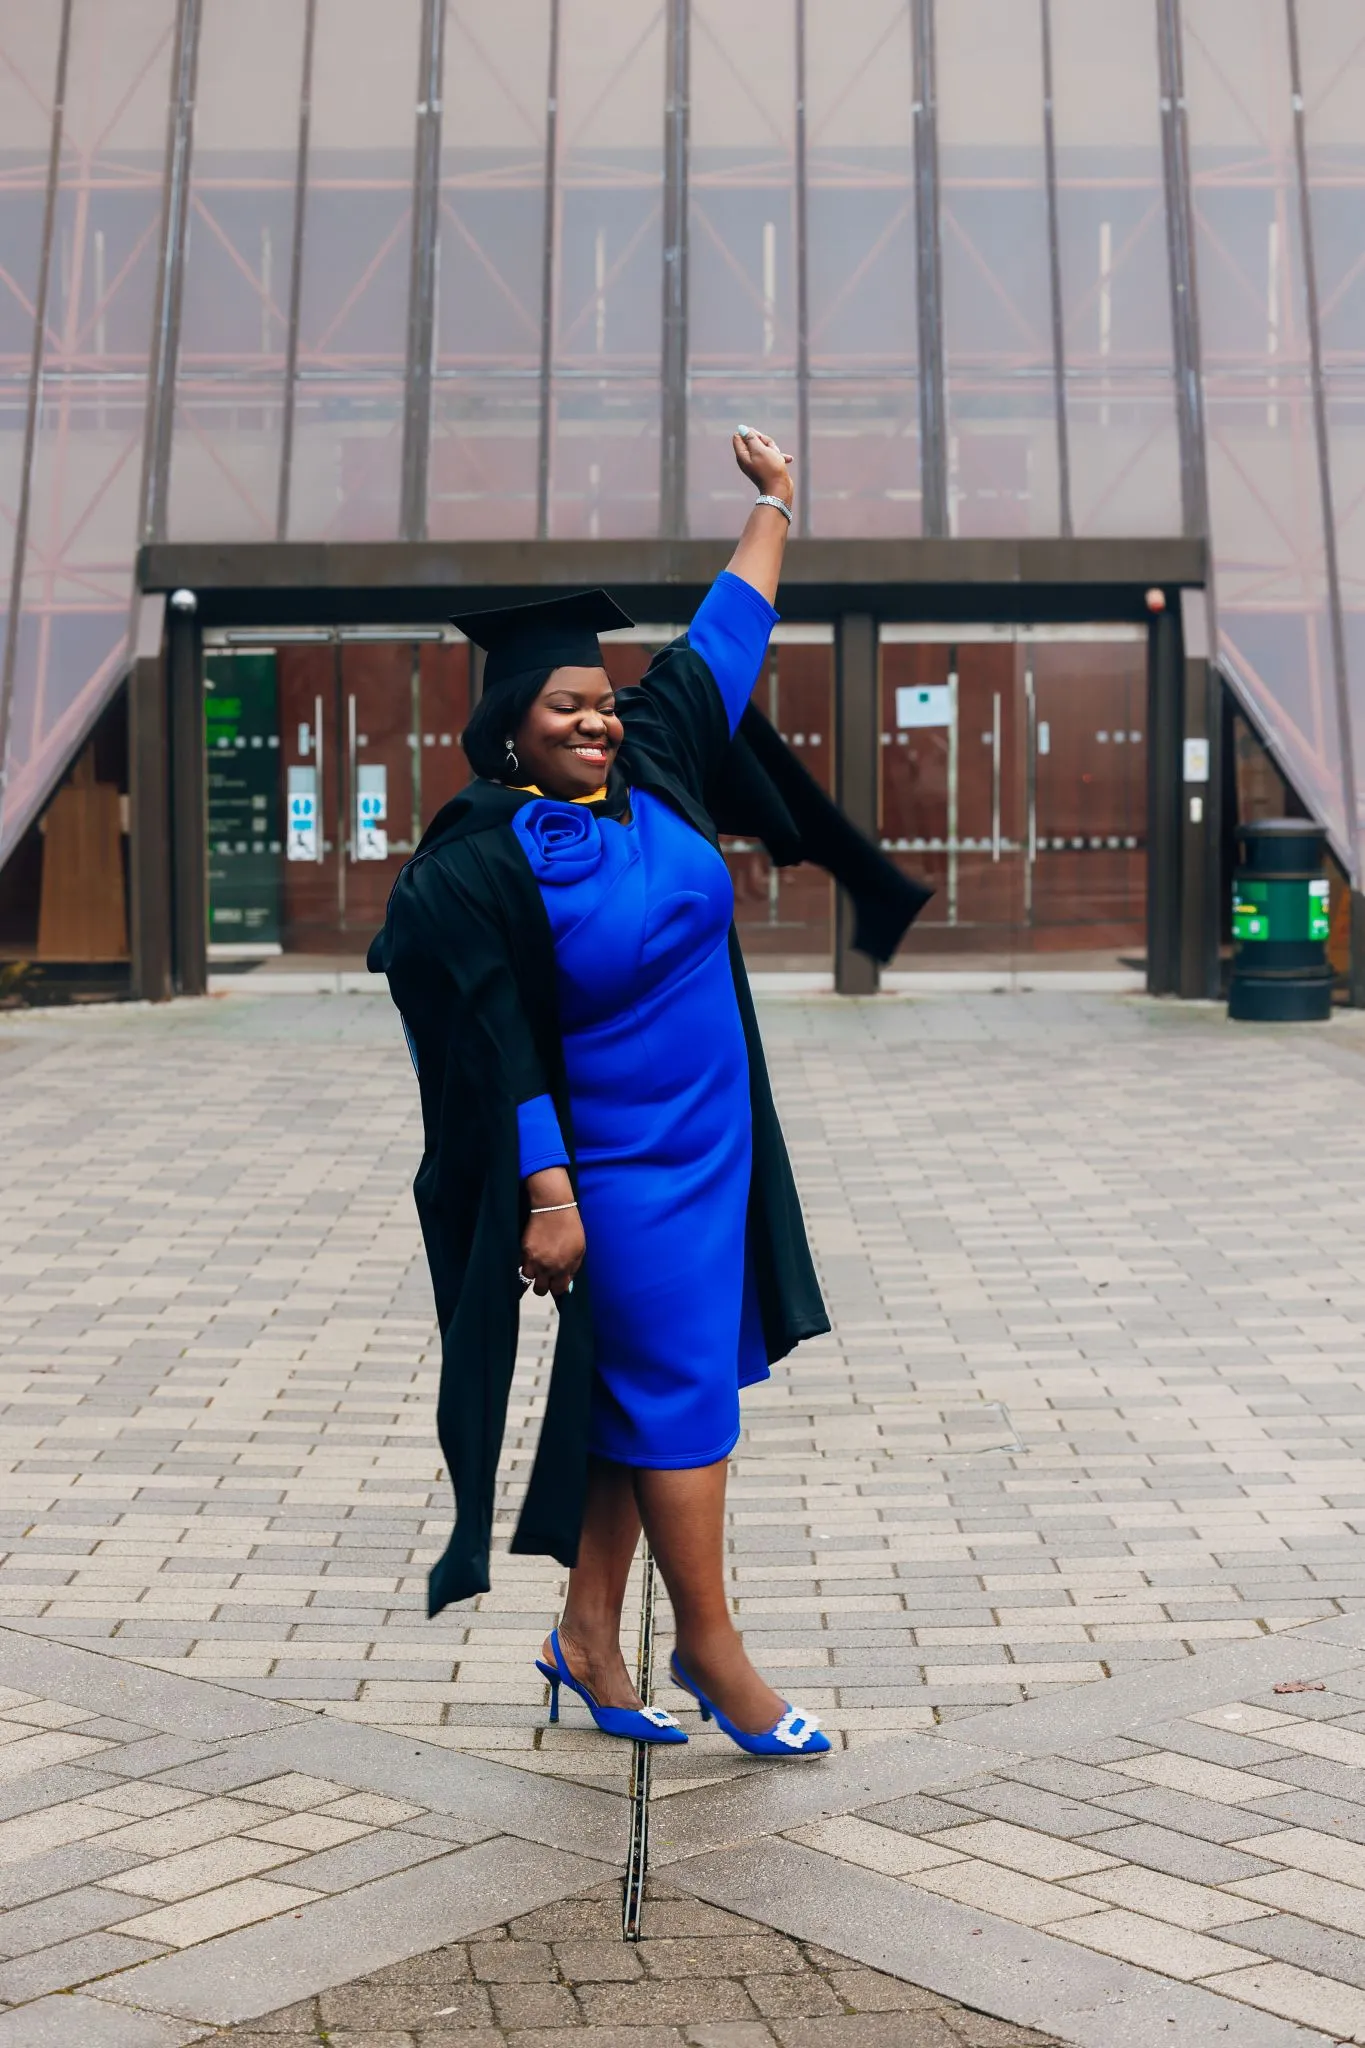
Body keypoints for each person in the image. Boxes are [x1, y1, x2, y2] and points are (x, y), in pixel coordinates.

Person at [370, 429, 928, 1758]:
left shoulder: (655, 768)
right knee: (681, 1400)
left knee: (634, 1400)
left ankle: (583, 1636)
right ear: (508, 727)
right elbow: (490, 1043)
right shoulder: (476, 864)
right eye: (566, 706)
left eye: (602, 699)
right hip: (615, 1174)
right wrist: (547, 1193)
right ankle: (714, 1649)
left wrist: (777, 505)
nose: (597, 718)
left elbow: (725, 637)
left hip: (715, 1149)